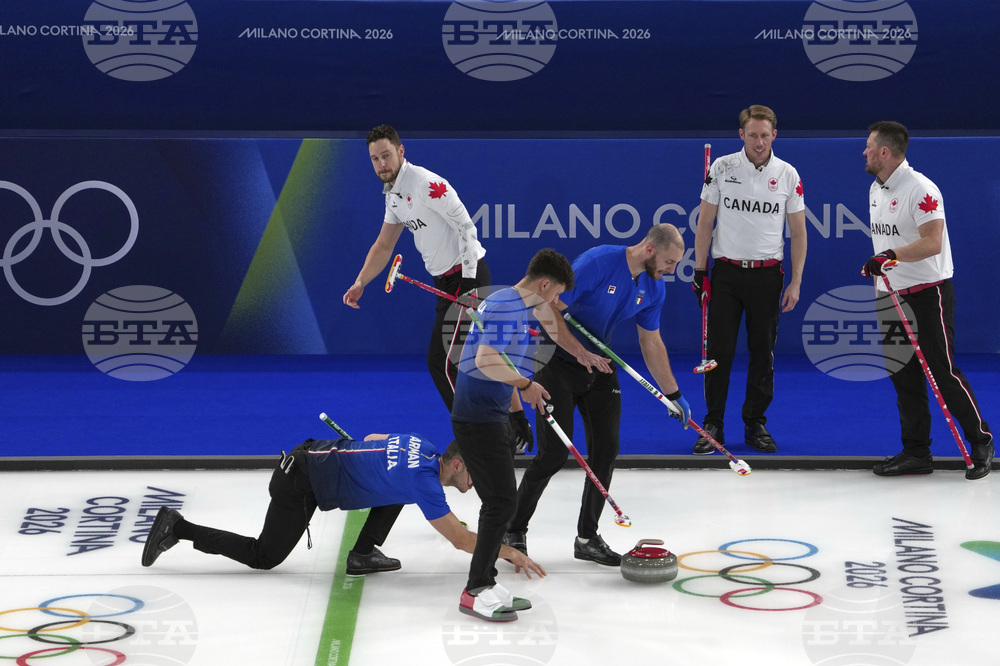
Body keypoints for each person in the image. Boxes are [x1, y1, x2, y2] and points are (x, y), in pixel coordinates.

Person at [140, 433, 546, 594]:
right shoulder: (425, 482)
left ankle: (362, 552)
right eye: (476, 473)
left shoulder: (419, 447)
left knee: (395, 490)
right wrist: (509, 551)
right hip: (299, 484)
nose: (479, 483)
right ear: (456, 465)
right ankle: (180, 527)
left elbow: (371, 439)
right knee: (265, 556)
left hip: (312, 458)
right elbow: (459, 540)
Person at [503, 224, 690, 568]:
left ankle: (587, 538)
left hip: (600, 364)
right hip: (556, 361)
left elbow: (651, 342)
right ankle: (513, 529)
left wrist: (673, 394)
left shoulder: (654, 288)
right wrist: (578, 352)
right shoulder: (598, 262)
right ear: (650, 250)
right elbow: (549, 309)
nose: (671, 270)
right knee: (554, 453)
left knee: (606, 450)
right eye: (669, 261)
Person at [451, 248, 598, 622]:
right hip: (476, 418)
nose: (557, 303)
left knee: (500, 504)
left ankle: (485, 580)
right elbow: (486, 359)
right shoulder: (505, 307)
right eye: (556, 294)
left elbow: (504, 362)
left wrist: (517, 412)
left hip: (493, 414)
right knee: (501, 503)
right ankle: (475, 590)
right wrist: (527, 385)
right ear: (544, 283)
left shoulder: (518, 308)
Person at [861, 120, 993, 480]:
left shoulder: (920, 189)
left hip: (926, 293)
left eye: (870, 147)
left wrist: (889, 257)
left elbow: (933, 242)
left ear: (885, 153)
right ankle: (916, 452)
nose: (865, 152)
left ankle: (980, 441)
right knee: (903, 377)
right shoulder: (877, 188)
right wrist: (880, 282)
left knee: (941, 370)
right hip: (889, 296)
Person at [343, 124, 491, 415]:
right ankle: (495, 427)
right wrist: (361, 282)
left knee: (442, 361)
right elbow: (384, 246)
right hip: (444, 284)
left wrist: (471, 289)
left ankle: (475, 433)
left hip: (466, 277)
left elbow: (467, 230)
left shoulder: (427, 185)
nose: (381, 164)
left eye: (386, 155)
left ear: (401, 151)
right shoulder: (393, 195)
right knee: (458, 361)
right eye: (375, 159)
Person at [691, 104, 807, 455]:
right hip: (726, 274)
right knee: (719, 353)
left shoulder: (788, 174)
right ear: (741, 134)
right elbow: (705, 224)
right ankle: (713, 423)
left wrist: (796, 282)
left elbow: (798, 234)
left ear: (775, 135)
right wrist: (700, 272)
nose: (759, 141)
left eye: (765, 135)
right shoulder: (722, 168)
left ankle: (755, 423)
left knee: (762, 353)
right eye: (752, 134)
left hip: (768, 276)